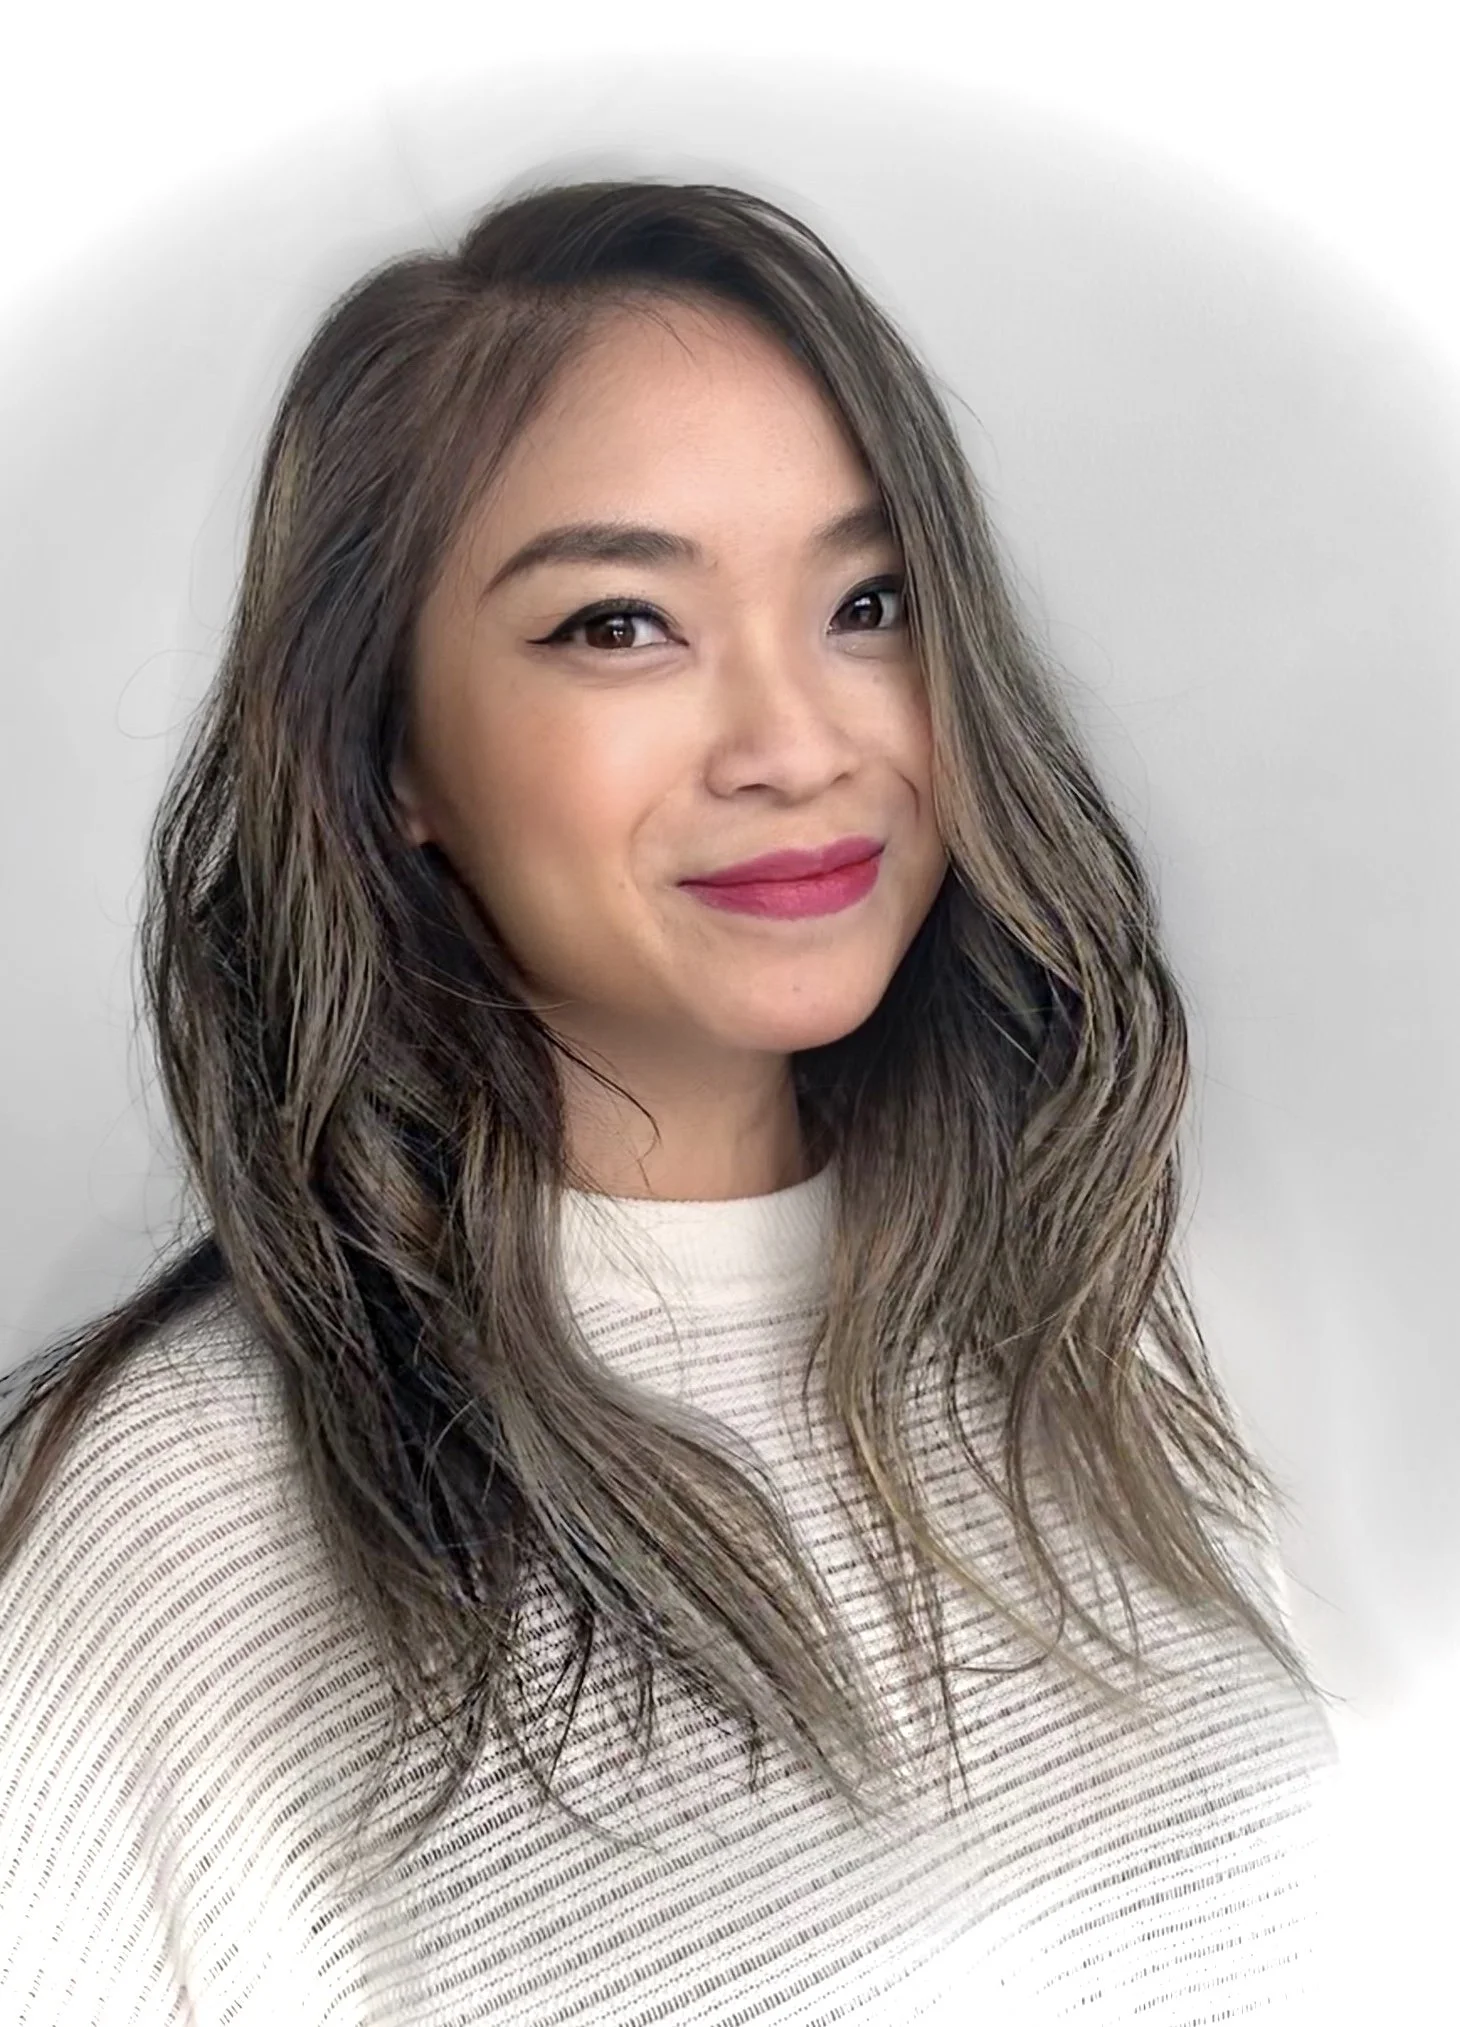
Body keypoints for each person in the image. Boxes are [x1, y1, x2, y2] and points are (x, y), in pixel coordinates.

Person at [0, 175, 1341, 2023]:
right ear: (394, 756)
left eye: (868, 602)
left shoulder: (1095, 1337)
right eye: (621, 625)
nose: (797, 741)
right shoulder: (180, 1517)